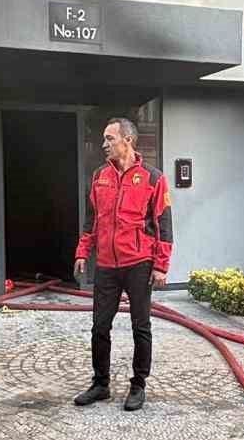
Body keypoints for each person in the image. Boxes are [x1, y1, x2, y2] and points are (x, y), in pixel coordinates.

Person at [72, 118, 172, 412]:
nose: (104, 144)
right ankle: (101, 384)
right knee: (100, 326)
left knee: (141, 326)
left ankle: (138, 385)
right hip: (105, 264)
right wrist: (82, 251)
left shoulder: (153, 178)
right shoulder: (99, 177)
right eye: (104, 139)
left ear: (127, 140)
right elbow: (92, 220)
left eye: (109, 138)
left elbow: (163, 225)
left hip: (139, 263)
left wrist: (161, 266)